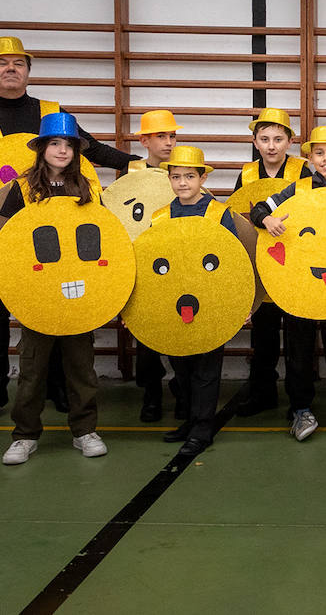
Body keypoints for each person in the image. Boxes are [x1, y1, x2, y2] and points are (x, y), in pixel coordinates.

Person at [0, 36, 135, 426]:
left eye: (18, 63)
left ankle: (57, 386)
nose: (11, 69)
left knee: (55, 305)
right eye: (2, 63)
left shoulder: (51, 112)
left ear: (28, 70)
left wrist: (140, 165)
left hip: (54, 238)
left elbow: (90, 148)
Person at [0, 113, 109, 465]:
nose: (62, 150)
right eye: (55, 143)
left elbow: (102, 240)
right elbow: (6, 244)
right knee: (33, 368)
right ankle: (25, 435)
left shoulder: (88, 189)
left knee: (81, 366)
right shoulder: (23, 189)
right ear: (42, 148)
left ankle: (84, 430)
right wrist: (16, 288)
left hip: (79, 291)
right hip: (36, 293)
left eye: (69, 145)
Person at [249, 127, 326, 444]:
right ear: (309, 157)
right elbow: (258, 209)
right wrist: (266, 220)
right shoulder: (296, 189)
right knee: (298, 354)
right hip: (297, 286)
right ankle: (301, 411)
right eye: (319, 153)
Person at [155, 145, 238, 456]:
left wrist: (236, 304)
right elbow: (154, 262)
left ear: (202, 177)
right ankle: (190, 421)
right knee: (182, 365)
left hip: (211, 302)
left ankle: (203, 429)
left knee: (206, 367)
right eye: (176, 177)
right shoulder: (161, 216)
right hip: (174, 301)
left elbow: (233, 262)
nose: (182, 183)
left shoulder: (219, 214)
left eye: (189, 176)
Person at [232, 108, 310, 418]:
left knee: (296, 338)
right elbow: (240, 219)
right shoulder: (247, 174)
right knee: (262, 337)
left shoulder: (304, 172)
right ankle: (263, 393)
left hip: (295, 265)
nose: (271, 146)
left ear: (290, 141)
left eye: (278, 139)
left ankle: (298, 401)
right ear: (255, 141)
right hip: (261, 265)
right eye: (264, 139)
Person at [128, 109, 184, 424]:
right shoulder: (132, 174)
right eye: (161, 136)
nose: (168, 142)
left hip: (177, 267)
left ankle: (180, 389)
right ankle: (150, 394)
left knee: (179, 330)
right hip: (144, 266)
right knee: (146, 336)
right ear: (145, 140)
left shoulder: (183, 171)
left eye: (172, 136)